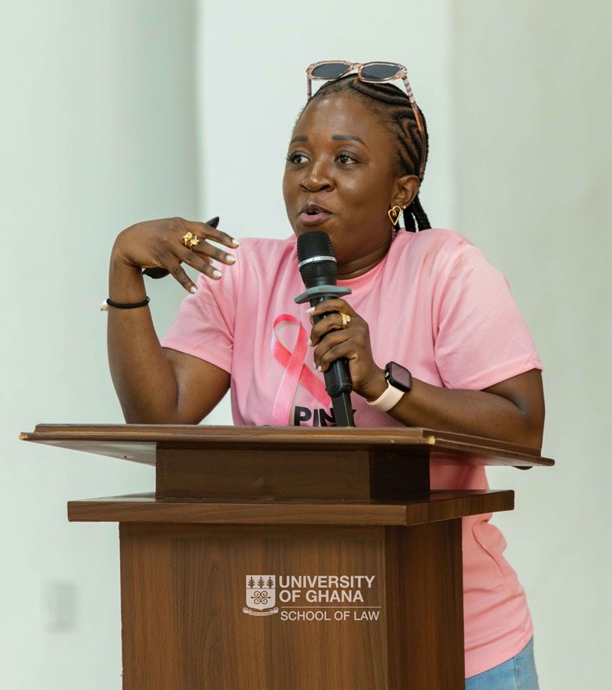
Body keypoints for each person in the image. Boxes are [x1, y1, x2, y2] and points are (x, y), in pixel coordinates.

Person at [105, 60, 545, 689]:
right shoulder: (245, 277)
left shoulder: (447, 271)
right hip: (294, 639)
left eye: (345, 160)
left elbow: (523, 431)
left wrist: (384, 386)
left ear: (401, 190)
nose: (314, 178)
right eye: (297, 158)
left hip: (455, 639)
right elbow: (161, 417)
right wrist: (124, 272)